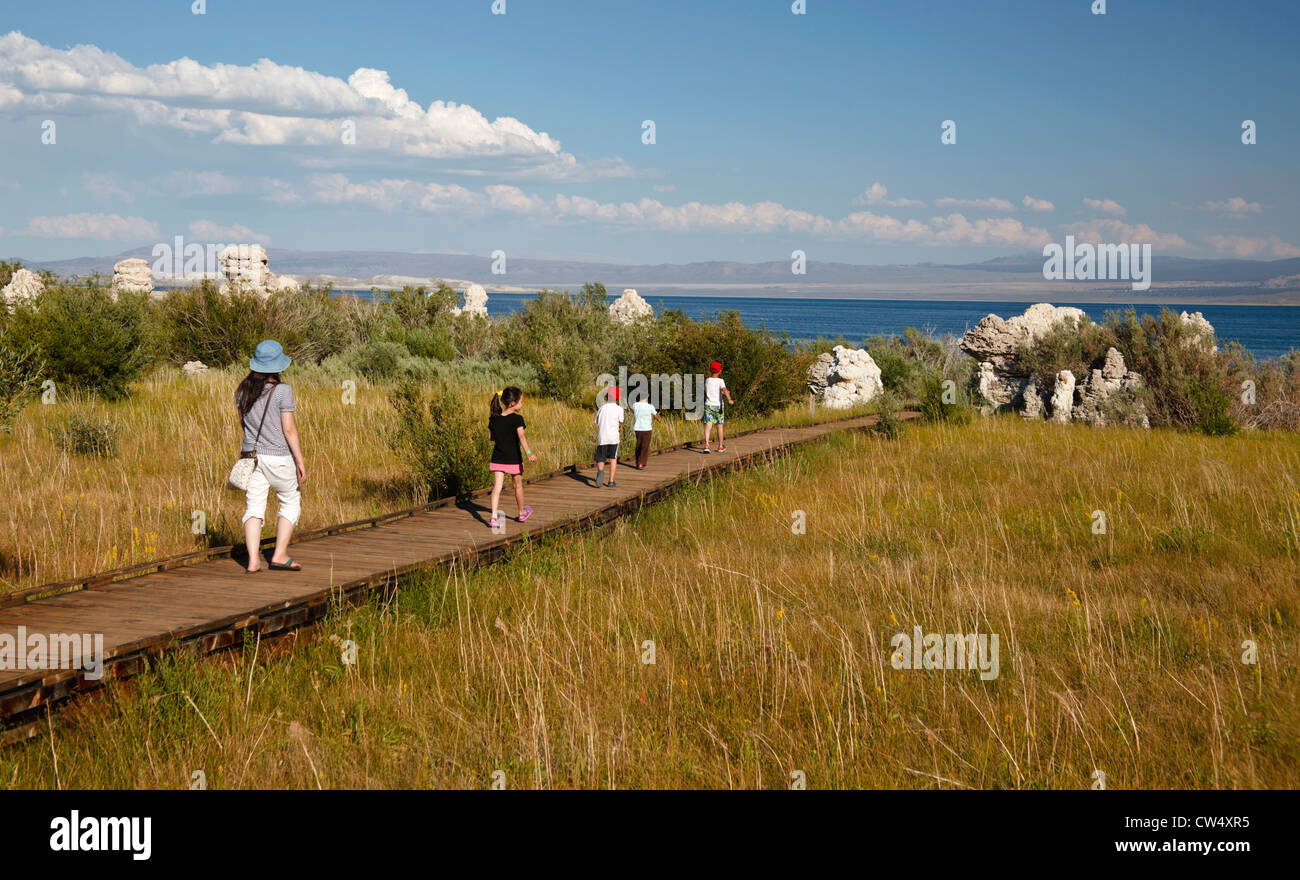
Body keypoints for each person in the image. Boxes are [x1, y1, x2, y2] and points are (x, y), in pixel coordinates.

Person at [237, 339, 306, 573]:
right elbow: (289, 429)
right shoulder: (283, 391)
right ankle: (279, 555)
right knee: (290, 501)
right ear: (277, 365)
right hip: (278, 457)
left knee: (254, 507)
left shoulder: (243, 389)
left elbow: (243, 425)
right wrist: (300, 460)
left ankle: (253, 561)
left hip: (251, 456)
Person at [487, 386, 538, 530]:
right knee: (518, 486)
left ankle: (493, 517)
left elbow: (490, 438)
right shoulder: (517, 419)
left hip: (498, 458)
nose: (522, 404)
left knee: (497, 487)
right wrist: (529, 453)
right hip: (513, 458)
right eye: (521, 401)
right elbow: (521, 436)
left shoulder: (494, 419)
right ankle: (521, 513)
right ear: (512, 403)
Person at [702, 360, 735, 453]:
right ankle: (720, 446)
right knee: (719, 426)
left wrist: (722, 393)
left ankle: (706, 445)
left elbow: (713, 391)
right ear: (720, 371)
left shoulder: (707, 380)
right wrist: (729, 398)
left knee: (708, 425)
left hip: (708, 405)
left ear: (710, 370)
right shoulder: (721, 381)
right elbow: (724, 389)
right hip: (718, 406)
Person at [594, 386, 624, 487]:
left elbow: (597, 422)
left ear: (607, 396)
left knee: (601, 458)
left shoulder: (602, 408)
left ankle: (600, 473)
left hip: (602, 436)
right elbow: (620, 424)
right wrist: (618, 428)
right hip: (613, 438)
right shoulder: (619, 409)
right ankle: (611, 481)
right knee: (613, 458)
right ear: (617, 398)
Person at [630, 390, 661, 469]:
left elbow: (632, 411)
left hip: (637, 428)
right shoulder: (650, 406)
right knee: (645, 446)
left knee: (639, 444)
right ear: (647, 396)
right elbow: (655, 415)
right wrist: (659, 419)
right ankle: (641, 463)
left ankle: (638, 461)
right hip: (647, 429)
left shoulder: (635, 405)